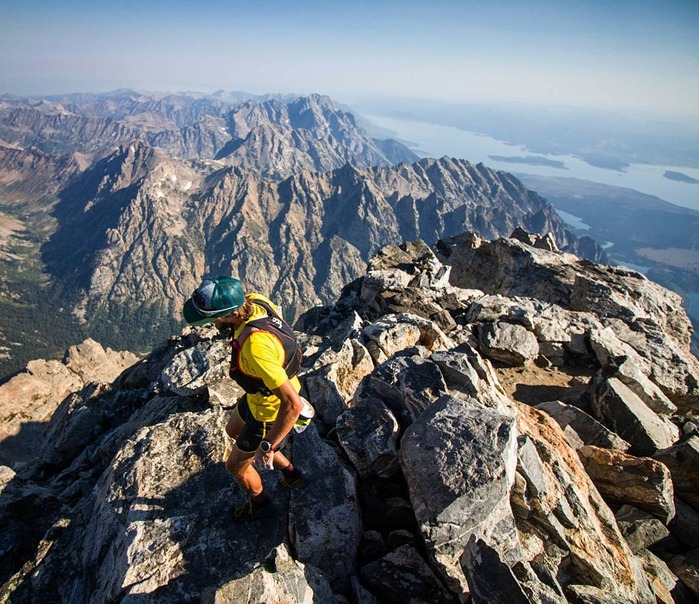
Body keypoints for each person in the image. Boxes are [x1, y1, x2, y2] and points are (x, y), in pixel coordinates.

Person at [183, 276, 308, 521]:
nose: (208, 324)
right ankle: (291, 474)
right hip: (256, 398)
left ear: (227, 315)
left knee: (235, 467)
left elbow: (293, 404)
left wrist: (268, 446)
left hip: (268, 412)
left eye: (210, 319)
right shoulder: (256, 302)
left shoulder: (255, 347)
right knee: (233, 430)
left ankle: (260, 505)